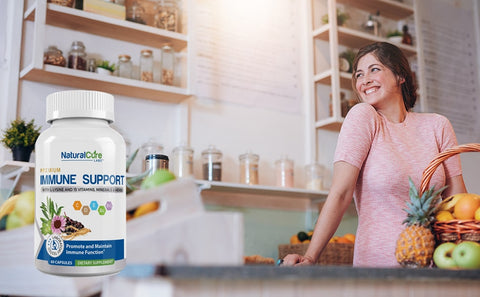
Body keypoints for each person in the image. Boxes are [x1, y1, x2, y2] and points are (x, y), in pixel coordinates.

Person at [283, 42, 467, 267]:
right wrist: (311, 257)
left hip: (438, 264)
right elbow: (341, 192)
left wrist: (464, 259)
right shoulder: (363, 117)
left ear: (400, 75)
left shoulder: (438, 126)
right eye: (359, 74)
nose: (365, 80)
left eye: (374, 69)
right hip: (379, 267)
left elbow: (457, 202)